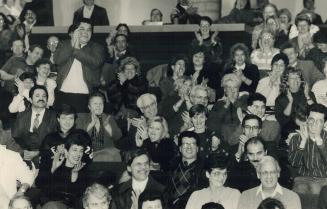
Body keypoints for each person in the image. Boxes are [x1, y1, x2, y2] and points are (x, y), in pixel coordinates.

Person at [54, 18, 105, 112]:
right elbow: (58, 60)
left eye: (89, 30)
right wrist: (73, 43)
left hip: (86, 96)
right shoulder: (64, 44)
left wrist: (77, 49)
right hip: (63, 94)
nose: (85, 32)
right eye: (82, 29)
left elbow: (95, 63)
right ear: (75, 31)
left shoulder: (97, 47)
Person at [37, 105, 93, 189]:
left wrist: (72, 168)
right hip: (54, 177)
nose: (67, 122)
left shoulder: (82, 135)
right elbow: (44, 164)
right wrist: (54, 167)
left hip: (77, 177)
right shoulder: (50, 138)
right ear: (58, 119)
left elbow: (87, 160)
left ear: (74, 120)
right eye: (64, 118)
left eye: (71, 118)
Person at [39, 131, 90, 207]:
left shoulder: (83, 170)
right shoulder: (57, 166)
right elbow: (42, 190)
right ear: (66, 152)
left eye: (81, 151)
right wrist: (53, 169)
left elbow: (77, 200)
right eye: (75, 150)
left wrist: (74, 175)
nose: (78, 154)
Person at [12, 85, 57, 166]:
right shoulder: (21, 116)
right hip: (24, 157)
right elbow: (15, 137)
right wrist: (23, 152)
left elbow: (57, 140)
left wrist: (40, 152)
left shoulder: (54, 116)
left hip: (46, 158)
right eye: (37, 96)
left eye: (44, 96)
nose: (41, 98)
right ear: (30, 99)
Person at [227, 137, 293, 192]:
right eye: (251, 154)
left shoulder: (280, 169)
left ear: (265, 152)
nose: (255, 158)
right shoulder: (239, 170)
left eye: (259, 153)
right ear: (247, 155)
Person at [288, 104, 327, 195]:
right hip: (302, 179)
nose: (314, 124)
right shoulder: (296, 138)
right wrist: (303, 142)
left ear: (324, 123)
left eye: (319, 121)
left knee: (317, 191)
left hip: (324, 179)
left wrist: (319, 142)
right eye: (311, 119)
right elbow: (293, 163)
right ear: (306, 119)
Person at [237, 156, 301, 209]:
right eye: (265, 172)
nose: (269, 176)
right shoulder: (246, 196)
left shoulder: (292, 197)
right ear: (258, 175)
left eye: (272, 172)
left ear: (278, 173)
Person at [164, 131, 205, 209]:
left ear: (197, 148)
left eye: (192, 144)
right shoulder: (171, 166)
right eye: (185, 144)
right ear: (180, 148)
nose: (189, 147)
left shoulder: (204, 170)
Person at [76, 92, 122, 162]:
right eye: (95, 104)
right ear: (89, 107)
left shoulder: (109, 118)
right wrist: (91, 124)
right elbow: (77, 137)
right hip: (88, 153)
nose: (98, 106)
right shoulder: (81, 117)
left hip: (108, 154)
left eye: (101, 104)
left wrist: (108, 127)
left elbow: (118, 137)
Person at [207, 73, 248, 147]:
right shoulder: (219, 104)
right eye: (229, 87)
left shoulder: (245, 99)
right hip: (223, 141)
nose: (232, 90)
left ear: (238, 88)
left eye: (235, 87)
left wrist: (234, 102)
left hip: (242, 139)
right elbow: (212, 124)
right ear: (225, 90)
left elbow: (247, 115)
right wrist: (226, 106)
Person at [275, 67, 312, 143]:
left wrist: (307, 96)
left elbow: (316, 110)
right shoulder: (281, 99)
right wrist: (290, 102)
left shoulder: (308, 93)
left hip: (309, 127)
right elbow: (283, 121)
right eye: (292, 78)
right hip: (290, 131)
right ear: (287, 82)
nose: (296, 80)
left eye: (298, 77)